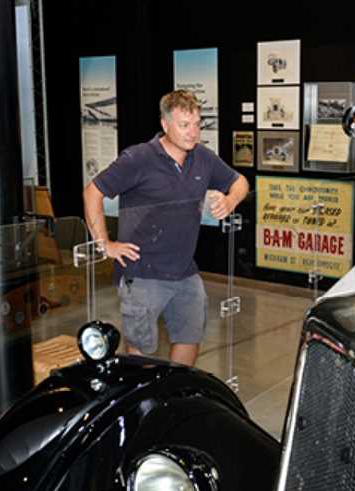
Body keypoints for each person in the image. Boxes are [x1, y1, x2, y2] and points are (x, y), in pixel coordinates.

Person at [83, 90, 249, 366]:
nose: (193, 132)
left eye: (197, 124)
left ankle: (174, 396)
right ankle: (142, 403)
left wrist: (230, 200)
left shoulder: (203, 158)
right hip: (143, 273)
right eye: (184, 125)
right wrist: (104, 244)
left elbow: (240, 181)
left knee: (189, 337)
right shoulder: (138, 158)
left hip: (185, 271)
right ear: (165, 124)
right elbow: (92, 192)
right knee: (140, 350)